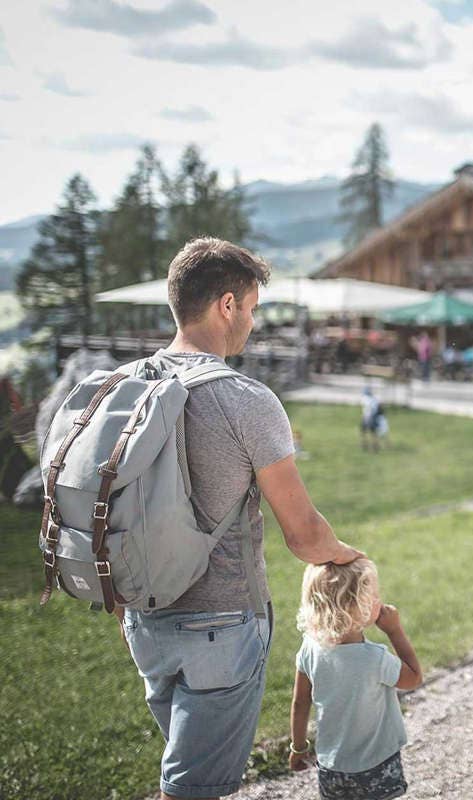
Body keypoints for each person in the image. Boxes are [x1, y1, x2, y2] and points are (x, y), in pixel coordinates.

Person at [119, 237, 363, 800]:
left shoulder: (125, 385)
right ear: (226, 305)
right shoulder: (247, 400)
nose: (252, 323)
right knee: (192, 787)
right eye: (251, 309)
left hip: (142, 620)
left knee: (188, 764)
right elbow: (303, 536)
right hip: (222, 626)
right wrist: (347, 555)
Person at [289, 558, 422, 800]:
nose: (379, 600)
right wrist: (395, 631)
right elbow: (413, 678)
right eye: (373, 596)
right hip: (377, 766)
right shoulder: (375, 658)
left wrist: (298, 748)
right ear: (359, 606)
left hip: (331, 767)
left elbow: (300, 703)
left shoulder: (310, 648)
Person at [360, 388, 382, 452]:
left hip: (369, 418)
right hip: (372, 418)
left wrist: (367, 418)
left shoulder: (367, 399)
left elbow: (369, 410)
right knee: (373, 433)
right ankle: (373, 446)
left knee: (367, 432)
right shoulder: (374, 399)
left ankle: (368, 445)